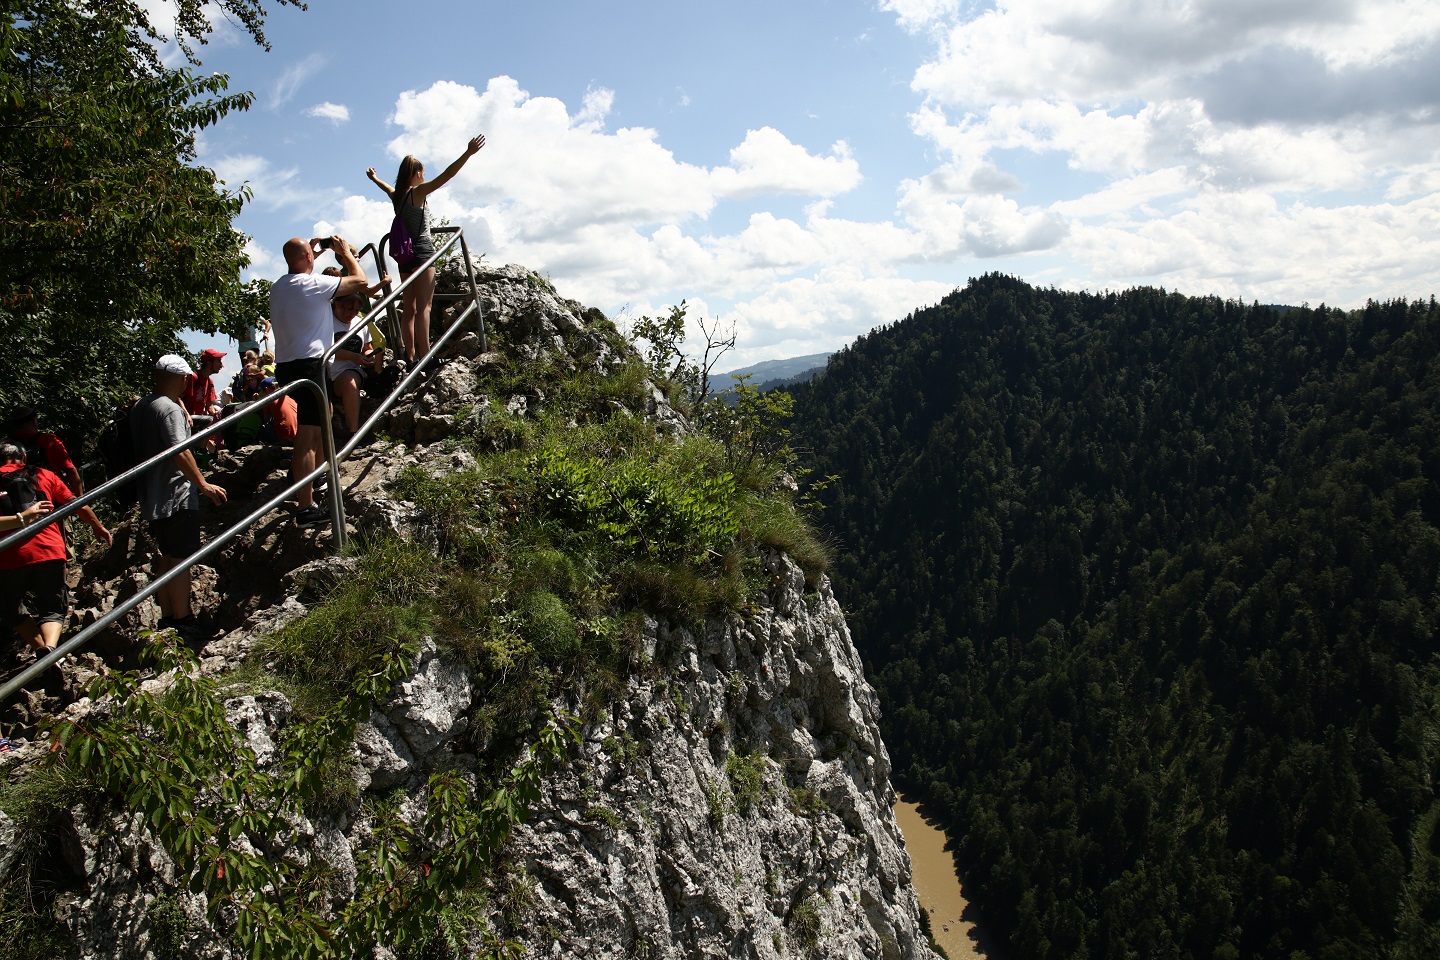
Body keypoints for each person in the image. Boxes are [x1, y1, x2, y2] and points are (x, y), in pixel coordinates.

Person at [268, 235, 369, 526]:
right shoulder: (312, 285)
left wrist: (313, 253)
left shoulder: (279, 287)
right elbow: (360, 281)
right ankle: (305, 507)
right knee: (309, 435)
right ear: (308, 258)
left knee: (326, 416)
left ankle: (316, 473)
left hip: (287, 364)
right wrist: (345, 253)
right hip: (309, 365)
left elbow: (298, 270)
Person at [130, 354, 227, 641]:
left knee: (168, 555)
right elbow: (179, 450)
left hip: (152, 495)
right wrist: (203, 484)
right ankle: (183, 619)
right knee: (182, 560)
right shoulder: (169, 409)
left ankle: (168, 616)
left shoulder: (142, 406)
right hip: (176, 493)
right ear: (184, 379)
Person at [366, 133, 485, 364]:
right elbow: (447, 175)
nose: (424, 176)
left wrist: (374, 178)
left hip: (404, 258)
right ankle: (427, 356)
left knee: (409, 309)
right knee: (424, 307)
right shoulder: (417, 193)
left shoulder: (397, 196)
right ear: (416, 174)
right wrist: (468, 153)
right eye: (422, 172)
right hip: (422, 254)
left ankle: (410, 357)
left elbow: (386, 187)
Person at [0, 442, 111, 652]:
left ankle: (41, 649)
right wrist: (97, 526)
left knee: (11, 609)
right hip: (49, 549)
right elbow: (76, 503)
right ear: (24, 457)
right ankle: (50, 648)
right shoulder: (43, 474)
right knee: (52, 608)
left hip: (9, 556)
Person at [328, 293, 386, 435]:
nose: (353, 313)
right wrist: (352, 356)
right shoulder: (325, 322)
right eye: (349, 309)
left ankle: (353, 432)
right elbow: (325, 350)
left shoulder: (360, 323)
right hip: (326, 372)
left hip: (349, 371)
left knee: (350, 382)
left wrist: (369, 357)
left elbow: (367, 348)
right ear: (337, 305)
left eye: (356, 310)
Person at [6, 406, 83, 495]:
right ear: (34, 422)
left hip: (24, 498)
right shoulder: (49, 441)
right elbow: (71, 471)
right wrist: (80, 499)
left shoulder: (6, 447)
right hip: (56, 494)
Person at [183, 348, 226, 422]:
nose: (221, 365)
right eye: (218, 361)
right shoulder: (193, 377)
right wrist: (186, 414)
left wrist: (218, 419)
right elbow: (178, 397)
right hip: (186, 419)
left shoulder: (210, 382)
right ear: (209, 363)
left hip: (197, 421)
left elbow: (209, 406)